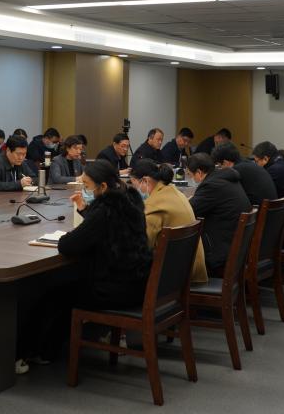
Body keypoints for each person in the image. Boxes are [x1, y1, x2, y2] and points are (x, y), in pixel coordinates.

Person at [17, 159, 151, 371]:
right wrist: (85, 210)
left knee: (51, 295)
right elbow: (109, 227)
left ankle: (34, 351)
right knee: (66, 291)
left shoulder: (104, 209)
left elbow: (68, 245)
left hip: (114, 289)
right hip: (137, 282)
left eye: (87, 185)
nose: (85, 189)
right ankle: (47, 350)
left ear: (103, 186)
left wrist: (68, 234)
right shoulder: (130, 201)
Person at [131, 159, 208, 284]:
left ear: (145, 180)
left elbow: (143, 244)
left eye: (134, 184)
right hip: (191, 268)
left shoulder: (155, 204)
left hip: (175, 277)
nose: (135, 189)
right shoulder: (175, 192)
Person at [187, 153, 251, 276]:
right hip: (236, 247)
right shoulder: (226, 179)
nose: (192, 179)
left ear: (199, 172)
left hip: (219, 252)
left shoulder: (211, 185)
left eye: (190, 174)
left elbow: (189, 211)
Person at [214, 141, 277, 206]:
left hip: (259, 210)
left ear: (225, 162)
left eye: (220, 166)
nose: (221, 169)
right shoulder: (248, 164)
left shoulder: (235, 171)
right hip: (271, 209)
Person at [252, 141, 284, 209]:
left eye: (257, 161)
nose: (256, 165)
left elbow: (265, 195)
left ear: (265, 159)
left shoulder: (273, 170)